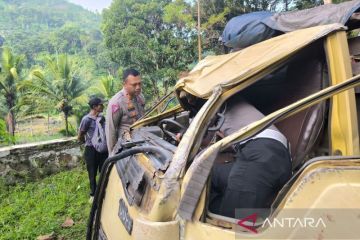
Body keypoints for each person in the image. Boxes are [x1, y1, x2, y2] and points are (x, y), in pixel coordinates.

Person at [208, 96, 292, 218]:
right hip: (269, 153)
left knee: (231, 219)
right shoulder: (229, 104)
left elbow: (202, 135)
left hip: (263, 153)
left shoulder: (220, 103)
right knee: (210, 174)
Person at [105, 68, 145, 156]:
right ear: (124, 84)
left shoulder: (140, 97)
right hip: (126, 148)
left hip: (142, 143)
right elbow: (110, 130)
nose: (138, 87)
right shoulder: (116, 102)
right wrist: (113, 155)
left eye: (139, 83)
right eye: (134, 85)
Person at [78, 97, 108, 201]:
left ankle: (104, 191)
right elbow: (80, 135)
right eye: (100, 105)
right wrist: (87, 143)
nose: (102, 106)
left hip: (102, 149)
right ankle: (93, 194)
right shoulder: (86, 119)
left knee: (104, 170)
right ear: (94, 107)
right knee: (92, 172)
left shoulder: (101, 118)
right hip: (91, 149)